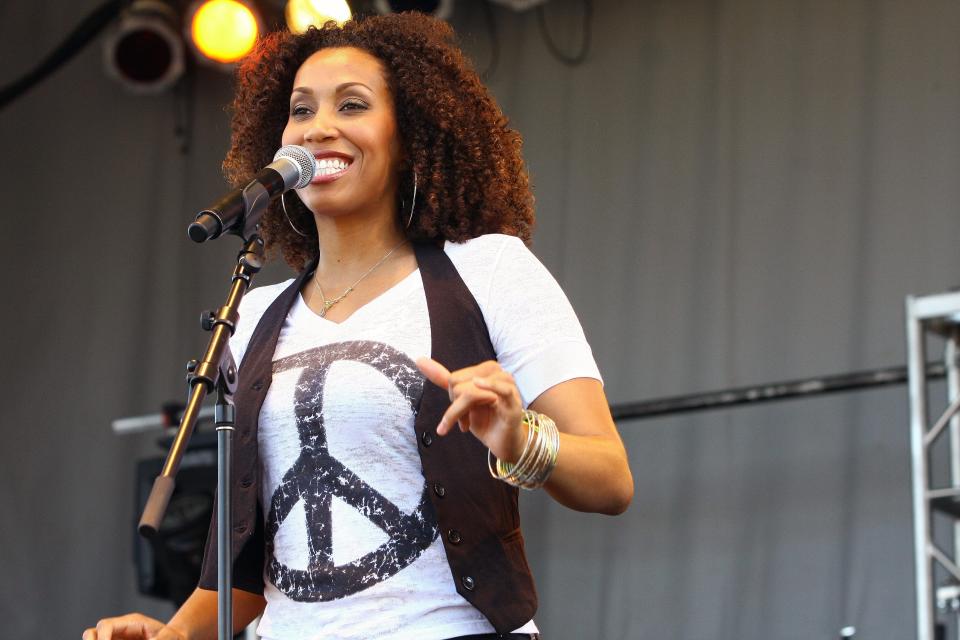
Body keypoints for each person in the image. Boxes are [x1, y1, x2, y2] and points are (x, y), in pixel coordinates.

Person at [84, 11, 632, 640]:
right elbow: (254, 563)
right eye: (301, 110)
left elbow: (611, 480)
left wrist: (519, 439)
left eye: (352, 105)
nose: (319, 129)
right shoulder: (257, 316)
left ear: (411, 137)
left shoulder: (488, 270)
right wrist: (173, 634)